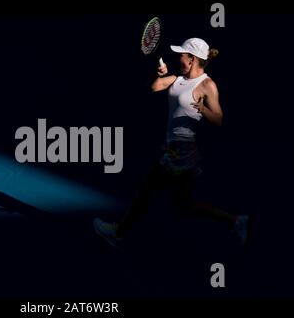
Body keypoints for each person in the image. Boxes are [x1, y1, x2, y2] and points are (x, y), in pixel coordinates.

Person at [94, 38, 252, 247]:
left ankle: (118, 233)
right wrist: (159, 73)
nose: (179, 58)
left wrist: (203, 109)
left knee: (146, 192)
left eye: (182, 55)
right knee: (184, 204)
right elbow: (154, 87)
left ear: (192, 59)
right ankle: (235, 221)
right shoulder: (177, 79)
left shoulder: (207, 85)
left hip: (181, 153)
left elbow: (219, 119)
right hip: (176, 150)